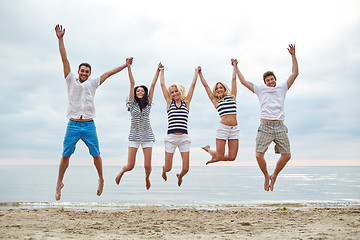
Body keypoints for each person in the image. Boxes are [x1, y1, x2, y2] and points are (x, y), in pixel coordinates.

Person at [54, 24, 129, 200]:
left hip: (89, 125)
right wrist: (60, 39)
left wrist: (125, 66)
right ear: (78, 72)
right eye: (82, 71)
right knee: (65, 155)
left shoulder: (93, 82)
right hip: (73, 125)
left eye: (87, 72)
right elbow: (64, 59)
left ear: (90, 74)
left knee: (96, 155)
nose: (84, 73)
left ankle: (101, 179)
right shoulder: (70, 80)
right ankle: (59, 183)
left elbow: (109, 73)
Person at [235, 44, 299, 191]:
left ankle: (274, 175)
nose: (270, 81)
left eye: (272, 79)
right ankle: (265, 176)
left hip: (280, 125)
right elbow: (243, 82)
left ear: (275, 79)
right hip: (265, 125)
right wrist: (236, 67)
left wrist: (293, 55)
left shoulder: (282, 88)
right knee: (258, 155)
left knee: (287, 155)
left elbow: (295, 73)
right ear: (265, 82)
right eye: (268, 80)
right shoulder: (260, 90)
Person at [115, 60, 160, 190]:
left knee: (147, 166)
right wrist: (128, 67)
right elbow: (132, 82)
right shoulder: (132, 104)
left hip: (147, 136)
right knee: (130, 166)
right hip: (134, 136)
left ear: (145, 93)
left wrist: (157, 70)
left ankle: (147, 177)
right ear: (135, 93)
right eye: (138, 91)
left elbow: (153, 84)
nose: (140, 92)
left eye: (142, 91)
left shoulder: (148, 104)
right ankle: (121, 172)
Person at [159, 64, 199, 186]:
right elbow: (162, 85)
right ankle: (163, 170)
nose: (174, 93)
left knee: (186, 169)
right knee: (168, 168)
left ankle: (180, 176)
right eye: (172, 92)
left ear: (180, 91)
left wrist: (196, 72)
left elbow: (193, 86)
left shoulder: (186, 102)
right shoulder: (169, 102)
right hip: (171, 138)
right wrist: (162, 71)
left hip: (184, 139)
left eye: (176, 91)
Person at [198, 60, 239, 165]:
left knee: (232, 157)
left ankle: (211, 154)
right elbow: (206, 86)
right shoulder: (215, 100)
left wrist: (235, 66)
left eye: (221, 87)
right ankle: (209, 150)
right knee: (220, 156)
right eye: (216, 89)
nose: (219, 89)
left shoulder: (232, 96)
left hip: (234, 129)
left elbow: (234, 79)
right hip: (223, 128)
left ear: (224, 88)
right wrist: (200, 74)